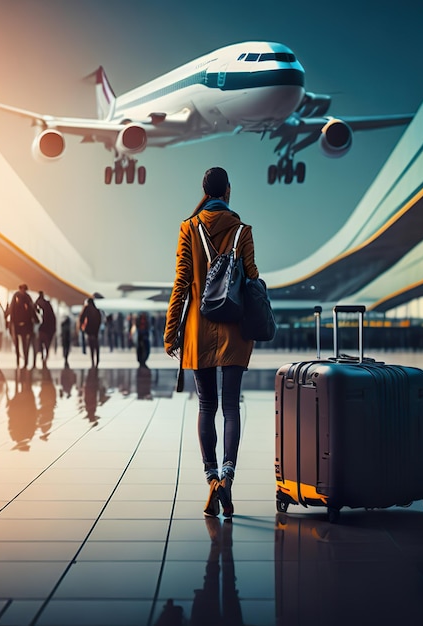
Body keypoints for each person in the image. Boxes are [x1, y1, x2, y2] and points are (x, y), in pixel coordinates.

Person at [164, 167, 259, 520]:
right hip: (235, 329)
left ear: (204, 190)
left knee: (207, 406)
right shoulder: (242, 230)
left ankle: (211, 481)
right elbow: (253, 279)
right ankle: (228, 479)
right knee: (231, 407)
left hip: (198, 330)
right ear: (228, 190)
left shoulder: (188, 228)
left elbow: (181, 282)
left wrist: (171, 330)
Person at [6, 284, 38, 368]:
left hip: (23, 325)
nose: (23, 291)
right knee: (20, 344)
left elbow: (31, 310)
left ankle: (23, 361)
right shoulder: (22, 297)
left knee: (23, 344)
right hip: (20, 325)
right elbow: (12, 308)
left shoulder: (24, 297)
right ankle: (20, 361)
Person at [35, 291, 57, 367]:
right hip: (49, 328)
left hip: (46, 328)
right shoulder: (47, 305)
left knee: (42, 341)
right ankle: (45, 355)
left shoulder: (41, 304)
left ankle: (44, 355)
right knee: (46, 343)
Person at [79, 297, 103, 367]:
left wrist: (82, 326)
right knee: (96, 345)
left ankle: (93, 360)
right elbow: (99, 320)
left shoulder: (87, 308)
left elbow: (81, 317)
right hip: (95, 330)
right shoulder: (97, 310)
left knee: (91, 346)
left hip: (89, 330)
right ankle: (97, 359)